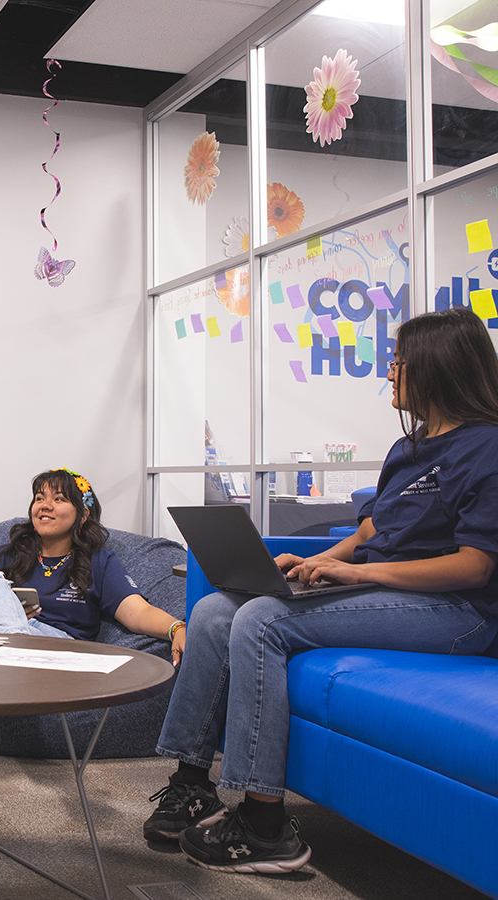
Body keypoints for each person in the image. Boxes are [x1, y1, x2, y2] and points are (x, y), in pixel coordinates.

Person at [144, 306, 498, 873]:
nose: (390, 371)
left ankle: (264, 826)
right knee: (213, 610)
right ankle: (191, 784)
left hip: (455, 611)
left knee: (260, 620)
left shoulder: (487, 448)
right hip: (387, 592)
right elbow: (372, 532)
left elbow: (475, 567)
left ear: (438, 366)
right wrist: (315, 561)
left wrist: (360, 574)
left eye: (400, 362)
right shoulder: (408, 449)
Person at [0, 467, 188, 805]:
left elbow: (136, 611)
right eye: (40, 498)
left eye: (59, 498)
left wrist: (176, 627)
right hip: (4, 647)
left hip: (57, 651)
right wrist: (2, 618)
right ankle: (11, 643)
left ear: (82, 514)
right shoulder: (10, 555)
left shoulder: (97, 561)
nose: (45, 505)